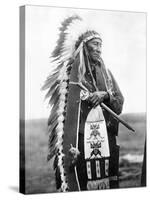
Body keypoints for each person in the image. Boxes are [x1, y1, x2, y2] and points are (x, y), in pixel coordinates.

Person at [42, 15, 124, 192]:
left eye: (101, 45)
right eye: (95, 44)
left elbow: (119, 102)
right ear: (84, 47)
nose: (99, 49)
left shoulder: (107, 75)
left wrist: (106, 95)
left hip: (106, 142)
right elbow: (63, 115)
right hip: (80, 144)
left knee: (108, 184)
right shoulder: (70, 76)